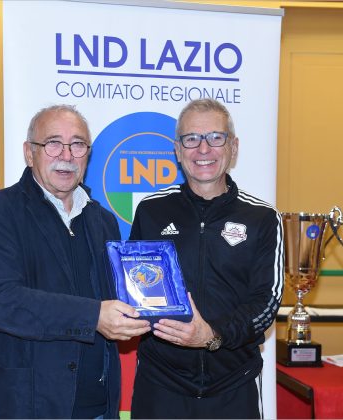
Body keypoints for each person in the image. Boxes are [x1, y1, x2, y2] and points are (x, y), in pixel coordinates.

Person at [0, 105, 151, 419]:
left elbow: (117, 298)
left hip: (97, 409)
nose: (67, 155)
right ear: (29, 153)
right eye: (54, 143)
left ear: (88, 154)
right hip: (20, 408)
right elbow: (1, 302)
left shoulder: (103, 221)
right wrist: (93, 316)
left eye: (78, 144)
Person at [129, 99, 284, 419]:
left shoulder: (263, 218)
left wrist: (212, 335)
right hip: (161, 385)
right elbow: (135, 287)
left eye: (216, 137)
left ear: (233, 147)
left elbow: (266, 302)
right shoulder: (151, 210)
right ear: (177, 149)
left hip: (233, 386)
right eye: (191, 138)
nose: (203, 149)